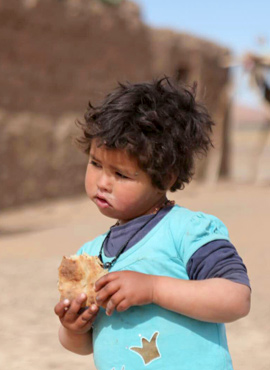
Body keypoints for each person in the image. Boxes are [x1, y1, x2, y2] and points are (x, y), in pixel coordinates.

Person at [54, 77, 251, 370]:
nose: (103, 182)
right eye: (96, 164)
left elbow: (236, 298)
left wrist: (154, 289)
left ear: (165, 177)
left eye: (121, 174)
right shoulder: (90, 255)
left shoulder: (188, 231)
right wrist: (73, 327)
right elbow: (84, 346)